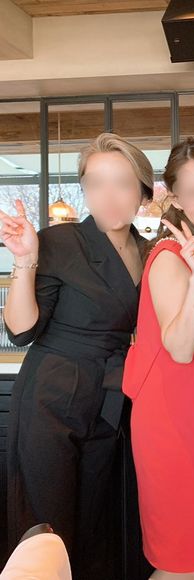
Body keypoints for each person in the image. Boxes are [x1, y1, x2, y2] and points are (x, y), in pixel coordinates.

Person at [0, 133, 153, 579]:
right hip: (53, 395)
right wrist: (25, 259)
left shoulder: (147, 252)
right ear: (84, 189)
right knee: (48, 528)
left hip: (110, 399)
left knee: (95, 524)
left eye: (122, 183)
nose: (108, 196)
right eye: (96, 183)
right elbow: (21, 330)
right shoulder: (60, 240)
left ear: (143, 192)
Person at [122, 138, 194, 580]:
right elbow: (181, 348)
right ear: (177, 199)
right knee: (182, 562)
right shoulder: (171, 257)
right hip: (173, 424)